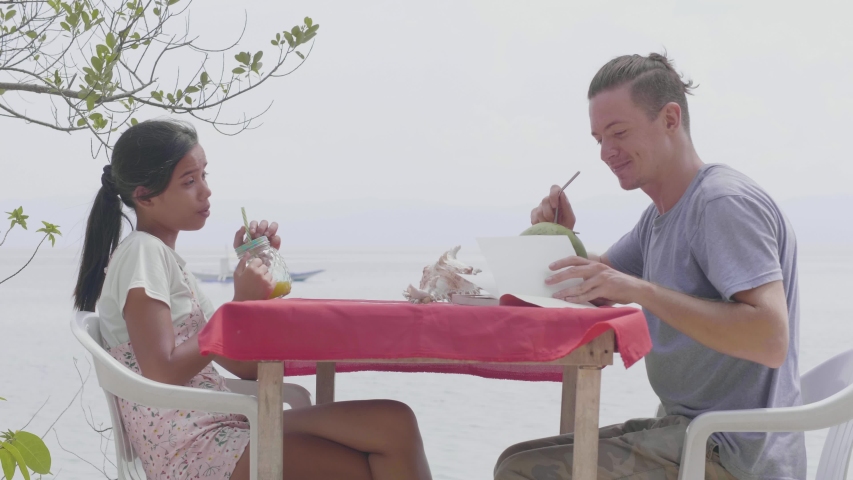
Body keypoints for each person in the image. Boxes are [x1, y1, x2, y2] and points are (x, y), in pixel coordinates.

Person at [494, 53, 805, 480]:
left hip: (730, 456)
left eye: (618, 132)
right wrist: (563, 236)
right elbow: (599, 283)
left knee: (522, 472)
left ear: (670, 119)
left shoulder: (721, 204)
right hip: (687, 436)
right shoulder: (660, 216)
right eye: (598, 138)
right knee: (514, 458)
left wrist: (642, 291)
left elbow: (771, 338)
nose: (606, 152)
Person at [73, 119, 433, 480]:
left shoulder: (164, 261)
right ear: (145, 196)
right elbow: (161, 370)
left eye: (204, 176)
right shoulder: (141, 252)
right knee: (365, 465)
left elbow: (247, 368)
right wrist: (235, 307)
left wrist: (259, 284)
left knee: (394, 421)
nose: (206, 192)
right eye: (189, 182)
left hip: (222, 425)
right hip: (194, 450)